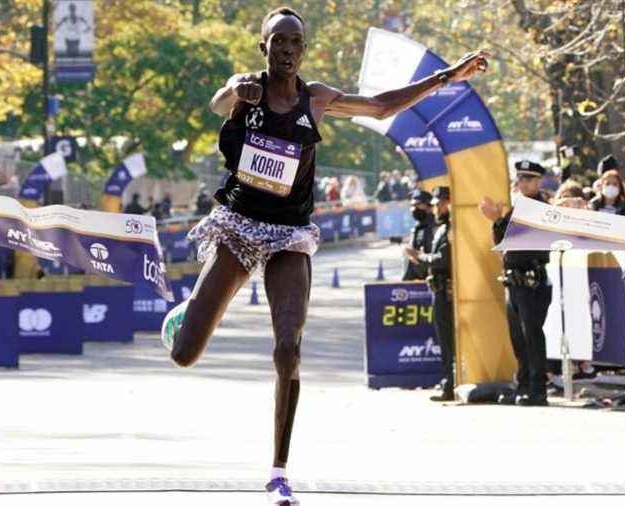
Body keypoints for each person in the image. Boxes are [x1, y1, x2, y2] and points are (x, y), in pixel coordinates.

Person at [158, 6, 489, 503]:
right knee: (185, 355)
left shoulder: (315, 100)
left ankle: (278, 470)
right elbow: (217, 101)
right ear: (263, 47)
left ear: (302, 51)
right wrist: (236, 94)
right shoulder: (246, 87)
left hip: (290, 233)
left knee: (288, 349)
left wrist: (449, 76)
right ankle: (186, 315)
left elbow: (380, 106)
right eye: (279, 42)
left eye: (296, 44)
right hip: (240, 225)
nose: (287, 51)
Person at [480, 160, 551, 407]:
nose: (520, 183)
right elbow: (502, 242)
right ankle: (523, 385)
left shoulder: (539, 208)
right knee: (518, 339)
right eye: (519, 178)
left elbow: (520, 244)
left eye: (526, 179)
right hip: (515, 280)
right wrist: (497, 220)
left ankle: (537, 389)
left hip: (531, 279)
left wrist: (501, 221)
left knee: (531, 337)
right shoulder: (518, 208)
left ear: (537, 182)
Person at [406, 187, 455, 401]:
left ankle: (450, 383)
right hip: (439, 288)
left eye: (440, 203)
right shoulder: (443, 228)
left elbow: (443, 260)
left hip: (446, 290)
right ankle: (448, 381)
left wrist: (420, 257)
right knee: (444, 340)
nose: (436, 207)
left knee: (448, 340)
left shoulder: (451, 228)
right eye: (434, 203)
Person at [402, 189, 436, 281]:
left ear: (429, 206)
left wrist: (416, 256)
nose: (414, 209)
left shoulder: (434, 228)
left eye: (418, 205)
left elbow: (433, 259)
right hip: (412, 282)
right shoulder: (418, 227)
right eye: (412, 205)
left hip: (426, 282)